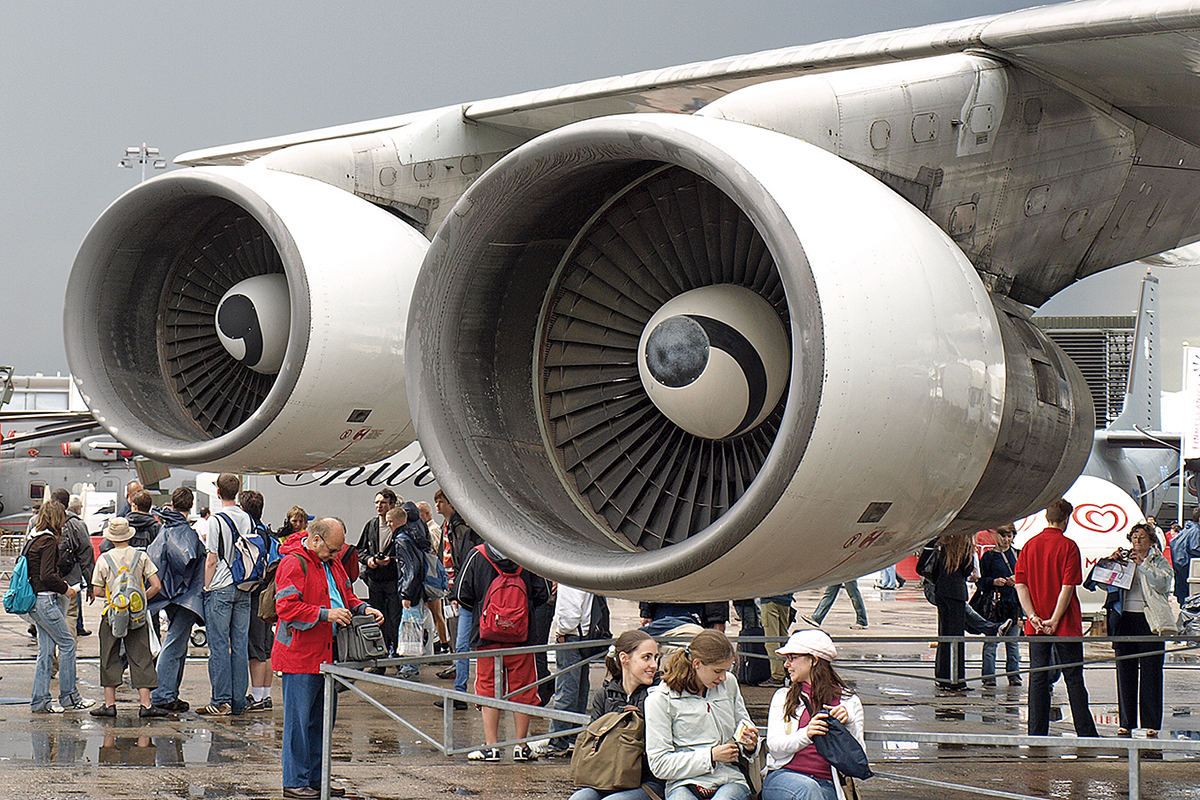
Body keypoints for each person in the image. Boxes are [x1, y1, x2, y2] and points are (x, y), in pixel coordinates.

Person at [274, 517, 383, 799]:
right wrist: (325, 615)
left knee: (322, 721)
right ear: (316, 540)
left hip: (326, 652)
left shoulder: (330, 562)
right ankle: (295, 782)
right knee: (299, 722)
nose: (336, 555)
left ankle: (317, 780)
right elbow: (286, 607)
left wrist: (363, 609)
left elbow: (346, 596)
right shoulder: (293, 563)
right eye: (333, 550)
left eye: (338, 550)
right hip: (301, 655)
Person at [455, 541, 551, 762]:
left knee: (488, 689)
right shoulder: (527, 553)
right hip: (522, 638)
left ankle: (491, 747)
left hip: (487, 638)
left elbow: (462, 594)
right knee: (524, 689)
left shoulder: (477, 555)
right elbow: (542, 593)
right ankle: (521, 746)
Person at [1015, 498, 1099, 737]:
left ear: (1046, 517)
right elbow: (1067, 587)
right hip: (1065, 624)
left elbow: (1021, 584)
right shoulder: (1068, 546)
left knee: (1038, 678)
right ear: (1066, 519)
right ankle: (1085, 732)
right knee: (1074, 679)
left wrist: (1033, 616)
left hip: (1036, 624)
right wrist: (1055, 619)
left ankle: (1036, 731)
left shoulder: (1029, 545)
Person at [644, 629, 760, 800]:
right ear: (697, 664)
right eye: (717, 671)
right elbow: (659, 764)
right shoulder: (660, 699)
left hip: (730, 779)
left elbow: (743, 727)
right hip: (683, 783)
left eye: (727, 670)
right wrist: (710, 756)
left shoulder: (730, 683)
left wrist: (750, 745)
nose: (723, 677)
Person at [1092, 522, 1173, 736]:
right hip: (1125, 618)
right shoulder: (1124, 560)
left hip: (1149, 621)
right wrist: (1109, 563)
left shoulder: (1159, 561)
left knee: (1151, 672)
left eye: (1142, 538)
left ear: (1151, 541)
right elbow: (1097, 582)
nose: (1137, 542)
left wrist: (1143, 566)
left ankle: (1152, 723)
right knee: (1125, 671)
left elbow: (1163, 585)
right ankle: (1126, 721)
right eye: (1134, 537)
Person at [763, 630, 865, 800]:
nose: (786, 665)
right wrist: (807, 734)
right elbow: (774, 747)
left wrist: (849, 723)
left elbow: (858, 756)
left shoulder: (848, 701)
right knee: (808, 790)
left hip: (827, 783)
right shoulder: (783, 697)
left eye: (792, 657)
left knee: (815, 792)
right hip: (783, 777)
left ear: (813, 660)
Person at [569, 629, 664, 800]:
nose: (654, 665)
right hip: (609, 779)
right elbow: (593, 744)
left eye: (656, 658)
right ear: (624, 658)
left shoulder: (659, 694)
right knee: (579, 798)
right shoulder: (605, 695)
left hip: (650, 782)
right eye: (646, 657)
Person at [90, 517, 165, 718]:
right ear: (128, 535)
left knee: (109, 656)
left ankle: (109, 705)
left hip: (112, 613)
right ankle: (146, 705)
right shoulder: (140, 557)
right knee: (141, 657)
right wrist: (141, 600)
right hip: (137, 616)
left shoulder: (104, 559)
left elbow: (97, 590)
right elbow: (156, 585)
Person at [25, 500, 93, 713]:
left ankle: (40, 700)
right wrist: (66, 589)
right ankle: (69, 696)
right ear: (57, 518)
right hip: (46, 600)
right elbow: (48, 575)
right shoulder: (49, 541)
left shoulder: (32, 539)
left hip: (35, 600)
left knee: (45, 651)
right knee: (67, 644)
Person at [148, 487, 206, 712]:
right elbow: (188, 559)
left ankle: (169, 693)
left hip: (168, 595)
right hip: (186, 596)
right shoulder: (186, 532)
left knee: (177, 644)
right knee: (174, 644)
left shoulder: (165, 528)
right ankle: (163, 694)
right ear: (190, 506)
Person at [199, 472, 253, 716]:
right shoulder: (247, 518)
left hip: (221, 586)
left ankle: (220, 700)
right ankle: (239, 700)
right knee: (240, 645)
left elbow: (212, 559)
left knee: (219, 645)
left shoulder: (216, 520)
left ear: (218, 492)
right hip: (244, 585)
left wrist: (206, 586)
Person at [537, 583, 597, 757]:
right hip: (585, 633)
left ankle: (558, 740)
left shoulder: (569, 577)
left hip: (571, 635)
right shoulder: (587, 571)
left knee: (567, 689)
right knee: (580, 688)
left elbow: (570, 610)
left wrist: (561, 632)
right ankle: (573, 736)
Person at [436, 489, 484, 691]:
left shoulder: (462, 531)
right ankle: (461, 688)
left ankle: (468, 688)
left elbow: (462, 563)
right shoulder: (455, 529)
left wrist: (457, 590)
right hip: (461, 592)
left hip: (467, 593)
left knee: (468, 641)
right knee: (462, 640)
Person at [357, 490, 402, 661]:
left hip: (393, 580)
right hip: (375, 580)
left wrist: (391, 560)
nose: (379, 506)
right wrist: (369, 560)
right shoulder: (371, 525)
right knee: (377, 617)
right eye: (376, 503)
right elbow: (359, 550)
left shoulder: (397, 527)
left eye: (383, 503)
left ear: (392, 504)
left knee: (394, 618)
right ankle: (380, 654)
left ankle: (397, 654)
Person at [241, 490, 276, 711]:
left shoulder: (250, 533)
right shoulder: (268, 533)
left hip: (253, 592)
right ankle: (266, 694)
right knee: (266, 647)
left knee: (255, 648)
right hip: (269, 592)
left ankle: (256, 696)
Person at [977, 525, 1023, 686]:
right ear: (997, 537)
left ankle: (1014, 675)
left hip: (1013, 603)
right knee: (991, 642)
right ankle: (989, 676)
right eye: (1003, 536)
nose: (1006, 539)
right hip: (995, 604)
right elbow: (981, 582)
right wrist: (993, 582)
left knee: (1013, 643)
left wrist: (1015, 580)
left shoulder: (1018, 554)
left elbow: (1026, 578)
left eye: (1009, 536)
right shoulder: (989, 557)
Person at [386, 504, 428, 678]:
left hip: (411, 591)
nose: (388, 525)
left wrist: (406, 593)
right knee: (414, 626)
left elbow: (410, 567)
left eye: (390, 522)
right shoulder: (413, 535)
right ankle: (411, 664)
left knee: (409, 627)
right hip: (418, 589)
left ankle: (410, 667)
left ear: (398, 521)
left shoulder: (401, 540)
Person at [50, 488, 94, 639]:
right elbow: (86, 557)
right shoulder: (76, 524)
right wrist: (90, 585)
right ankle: (65, 657)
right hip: (70, 583)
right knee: (69, 619)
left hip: (44, 583)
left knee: (46, 625)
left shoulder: (37, 521)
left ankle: (50, 660)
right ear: (68, 504)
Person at [418, 500, 451, 656]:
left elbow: (436, 553)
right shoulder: (427, 529)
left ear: (426, 514)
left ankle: (444, 645)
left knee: (437, 614)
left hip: (432, 578)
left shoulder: (433, 530)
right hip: (429, 577)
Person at [761, 594, 797, 686]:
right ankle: (789, 670)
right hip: (785, 601)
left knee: (771, 641)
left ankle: (777, 676)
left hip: (770, 599)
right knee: (783, 638)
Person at [1169, 508, 1200, 606]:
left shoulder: (1187, 528)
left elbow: (1173, 543)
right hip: (1187, 566)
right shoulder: (1196, 531)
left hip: (1180, 564)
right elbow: (1195, 548)